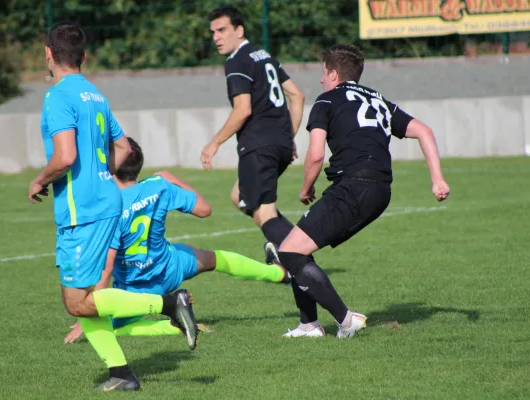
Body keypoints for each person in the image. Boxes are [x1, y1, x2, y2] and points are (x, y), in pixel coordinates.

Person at [28, 21, 198, 392]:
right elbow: (123, 149)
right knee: (89, 296)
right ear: (83, 57)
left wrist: (40, 180)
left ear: (48, 54)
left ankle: (168, 305)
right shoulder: (96, 95)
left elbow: (65, 155)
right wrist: (102, 174)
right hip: (106, 199)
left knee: (76, 303)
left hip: (83, 209)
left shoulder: (57, 96)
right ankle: (121, 373)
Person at [265, 44, 451, 338]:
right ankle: (308, 325)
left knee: (288, 251)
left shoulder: (326, 101)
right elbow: (424, 131)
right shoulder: (378, 100)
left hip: (353, 187)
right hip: (380, 190)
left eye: (323, 73)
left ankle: (345, 319)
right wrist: (437, 179)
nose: (321, 80)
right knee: (296, 246)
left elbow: (315, 155)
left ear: (334, 74)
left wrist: (306, 187)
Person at [64, 137, 291, 346]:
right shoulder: (157, 186)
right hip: (171, 266)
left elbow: (107, 267)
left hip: (136, 289)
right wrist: (172, 179)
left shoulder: (110, 208)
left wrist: (92, 306)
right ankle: (280, 273)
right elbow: (204, 209)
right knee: (215, 259)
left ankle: (174, 327)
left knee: (108, 329)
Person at [201, 6, 306, 256]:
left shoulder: (237, 60)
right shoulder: (263, 55)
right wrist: (287, 138)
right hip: (279, 143)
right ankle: (286, 248)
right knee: (240, 196)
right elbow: (297, 96)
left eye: (222, 30)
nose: (216, 36)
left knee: (264, 209)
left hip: (258, 145)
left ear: (239, 31)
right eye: (213, 32)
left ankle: (298, 258)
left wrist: (214, 143)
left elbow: (243, 109)